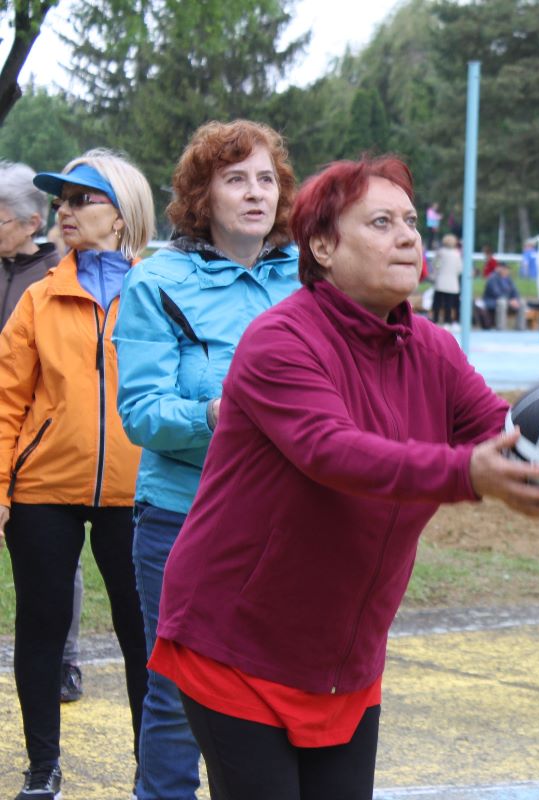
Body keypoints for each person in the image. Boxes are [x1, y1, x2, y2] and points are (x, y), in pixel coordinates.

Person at [149, 155, 539, 800]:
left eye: (411, 222)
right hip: (237, 642)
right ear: (322, 247)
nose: (408, 237)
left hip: (343, 655)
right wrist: (468, 474)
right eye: (381, 222)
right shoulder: (279, 339)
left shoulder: (434, 349)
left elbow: (502, 429)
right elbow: (333, 453)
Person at [114, 120, 301, 800]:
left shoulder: (313, 278)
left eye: (266, 179)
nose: (255, 193)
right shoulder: (156, 282)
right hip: (183, 520)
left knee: (279, 693)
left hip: (294, 524)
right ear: (202, 195)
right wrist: (215, 416)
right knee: (176, 698)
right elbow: (141, 414)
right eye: (235, 179)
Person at [1, 149, 155, 800]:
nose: (64, 211)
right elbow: (7, 400)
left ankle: (154, 769)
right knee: (40, 629)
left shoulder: (158, 293)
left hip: (139, 493)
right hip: (43, 491)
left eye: (81, 199)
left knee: (143, 636)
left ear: (121, 215)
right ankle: (43, 770)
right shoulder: (39, 298)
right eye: (60, 201)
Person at [0, 160, 88, 704]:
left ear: (32, 222)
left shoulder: (57, 277)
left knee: (56, 561)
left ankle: (65, 660)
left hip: (38, 442)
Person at [430, 233, 463, 327]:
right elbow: (459, 269)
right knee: (449, 304)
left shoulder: (440, 252)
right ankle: (447, 321)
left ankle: (435, 320)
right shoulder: (457, 254)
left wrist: (437, 272)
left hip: (440, 282)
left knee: (437, 303)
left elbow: (435, 265)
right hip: (452, 283)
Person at [481, 261, 524, 330]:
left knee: (521, 302)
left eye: (507, 269)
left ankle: (520, 327)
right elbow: (496, 293)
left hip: (506, 301)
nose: (506, 271)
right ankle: (501, 327)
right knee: (502, 302)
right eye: (504, 269)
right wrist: (509, 301)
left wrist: (515, 299)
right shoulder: (492, 278)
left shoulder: (508, 279)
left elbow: (515, 291)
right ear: (499, 269)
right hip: (492, 301)